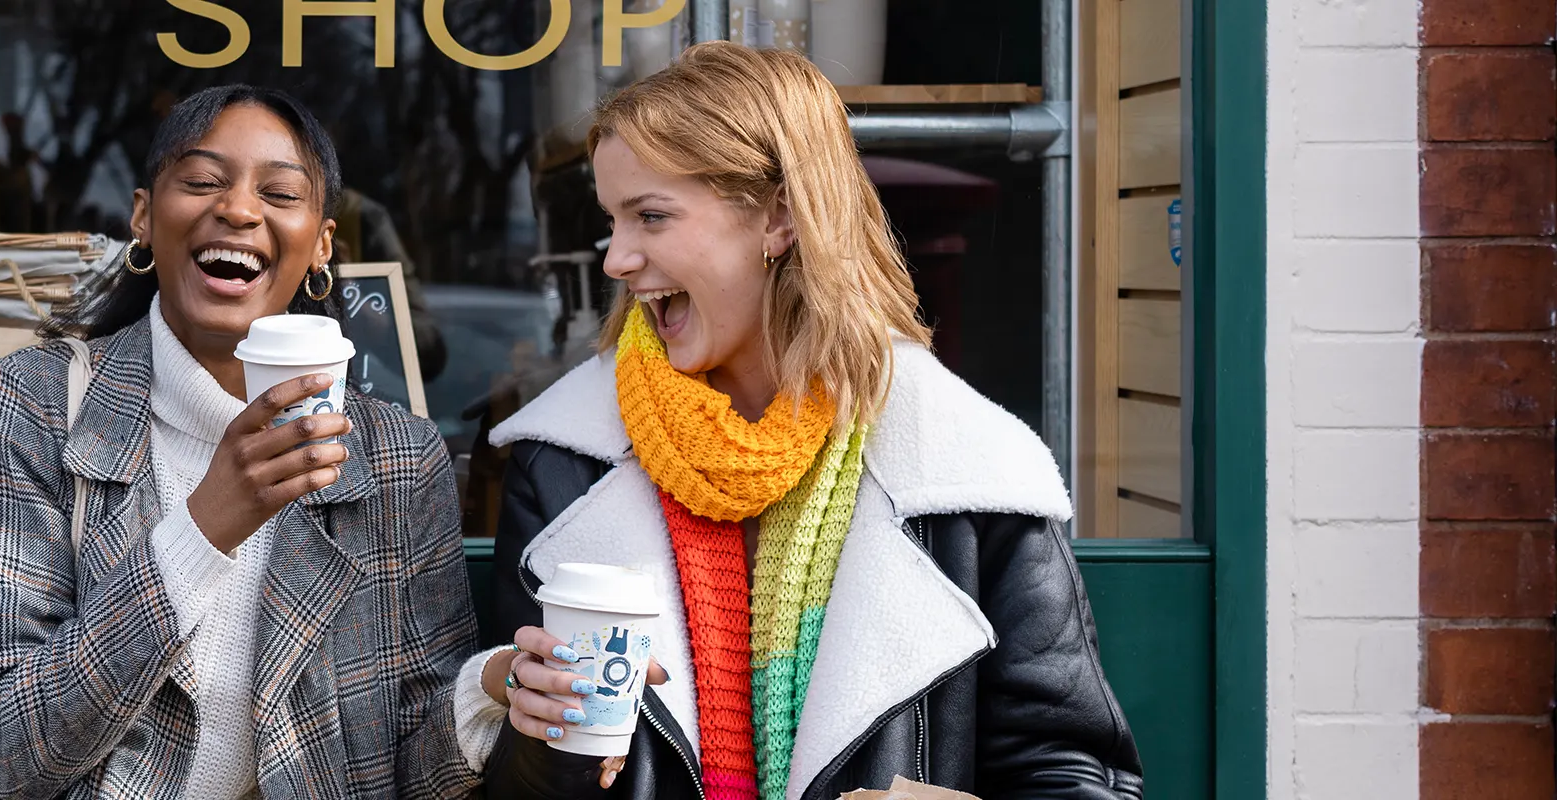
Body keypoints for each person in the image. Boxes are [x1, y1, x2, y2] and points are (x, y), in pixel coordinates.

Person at [454, 43, 1145, 800]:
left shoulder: (970, 473)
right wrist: (544, 739)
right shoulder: (561, 462)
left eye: (651, 216)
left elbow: (1067, 772)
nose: (617, 258)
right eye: (613, 221)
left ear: (778, 217)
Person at [0, 85, 479, 800]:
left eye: (280, 192)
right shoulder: (41, 401)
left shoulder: (397, 458)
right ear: (143, 216)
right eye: (202, 181)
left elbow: (424, 775)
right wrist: (203, 529)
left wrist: (496, 693)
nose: (236, 209)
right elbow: (11, 751)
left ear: (322, 244)